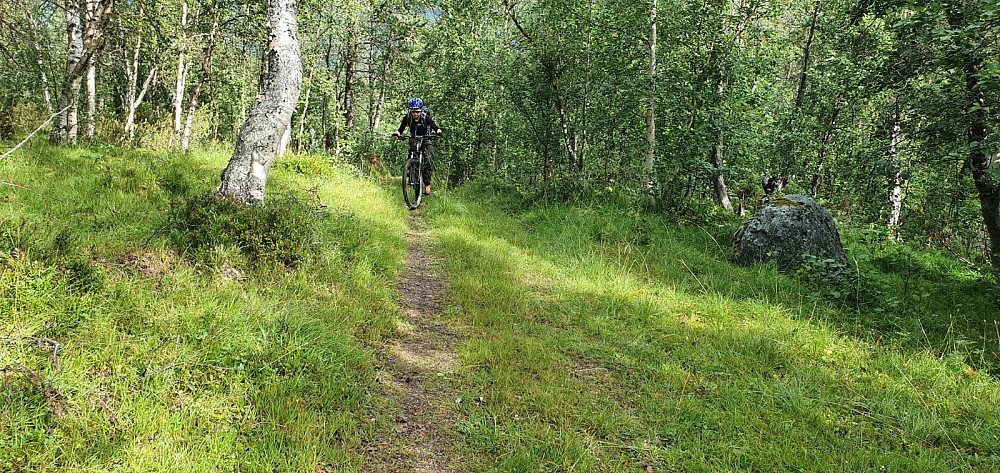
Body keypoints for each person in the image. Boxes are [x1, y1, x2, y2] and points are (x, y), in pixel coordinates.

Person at [392, 98, 443, 195]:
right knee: (412, 150)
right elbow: (401, 129)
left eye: (417, 112)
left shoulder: (425, 117)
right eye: (413, 111)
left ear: (421, 110)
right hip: (414, 137)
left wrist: (439, 132)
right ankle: (409, 168)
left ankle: (427, 184)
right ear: (410, 111)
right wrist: (397, 134)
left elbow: (434, 126)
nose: (415, 114)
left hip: (426, 138)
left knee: (428, 158)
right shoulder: (407, 118)